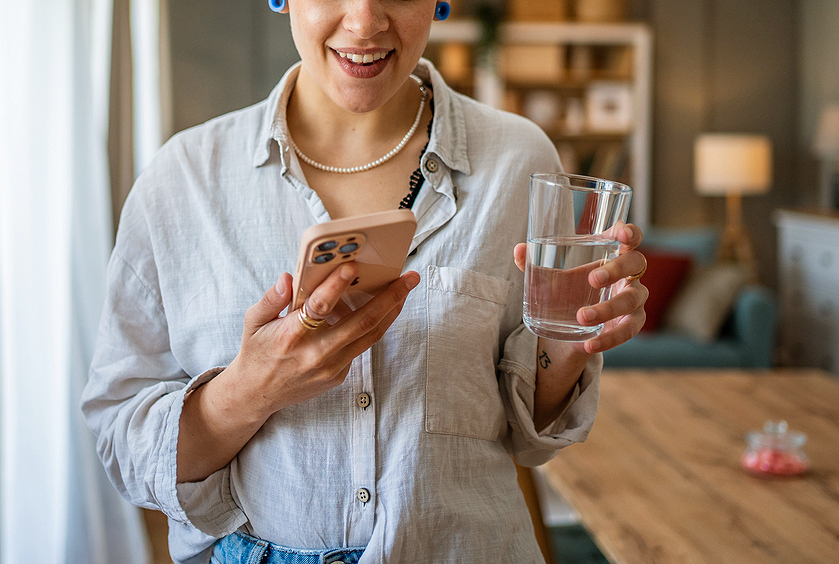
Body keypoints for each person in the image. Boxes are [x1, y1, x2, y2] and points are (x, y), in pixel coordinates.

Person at [81, 1, 648, 563]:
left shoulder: (517, 159)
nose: (364, 22)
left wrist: (566, 340)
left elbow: (530, 435)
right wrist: (248, 390)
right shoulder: (182, 180)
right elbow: (121, 440)